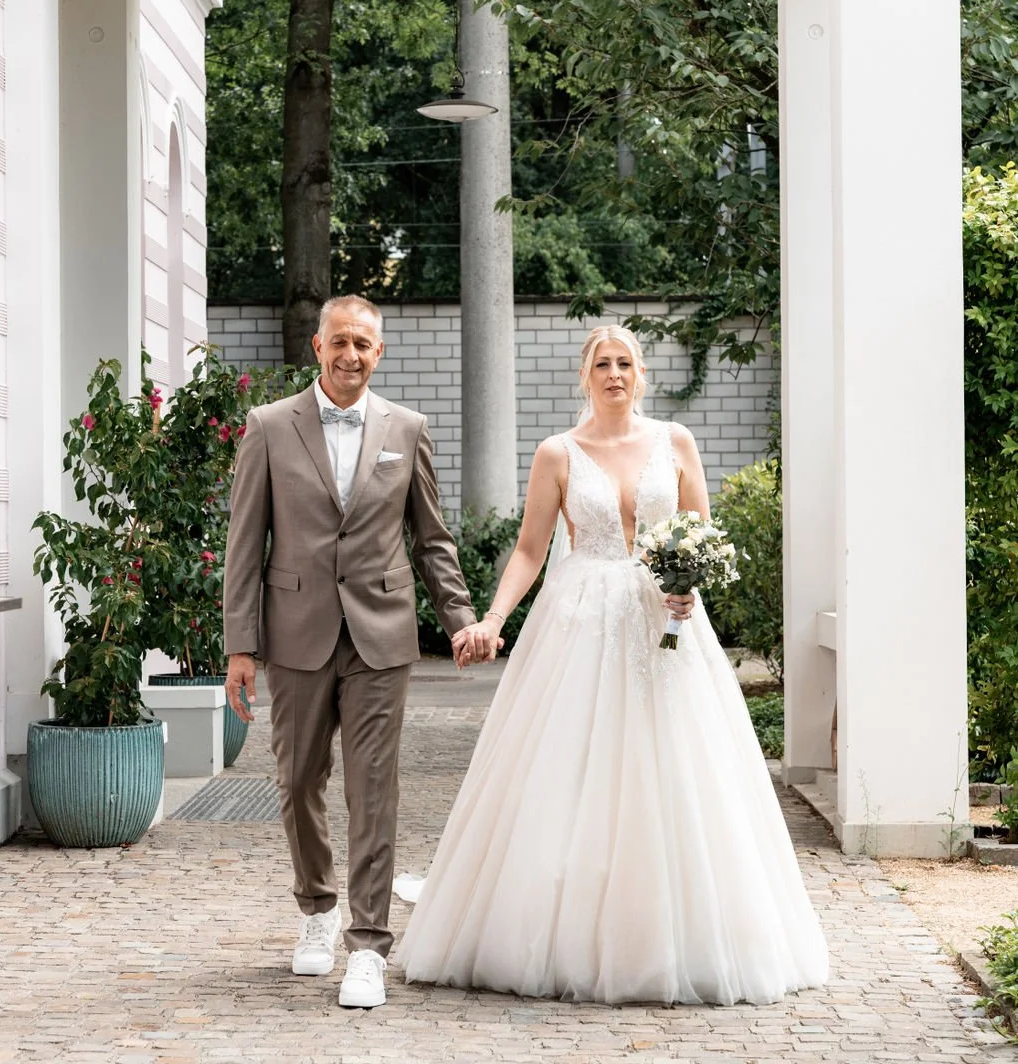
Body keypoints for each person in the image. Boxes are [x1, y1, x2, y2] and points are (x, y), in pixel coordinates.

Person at [399, 326, 829, 1006]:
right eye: (601, 363)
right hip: (581, 624)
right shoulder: (557, 453)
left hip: (665, 623)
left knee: (677, 765)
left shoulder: (675, 441)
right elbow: (529, 550)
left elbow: (701, 534)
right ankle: (566, 927)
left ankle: (679, 931)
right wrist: (493, 618)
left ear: (641, 373)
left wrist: (690, 587)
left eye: (624, 362)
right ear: (585, 375)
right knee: (573, 766)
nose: (614, 373)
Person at [223, 295, 484, 1010]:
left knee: (373, 790)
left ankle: (368, 945)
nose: (350, 355)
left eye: (362, 344)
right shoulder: (269, 427)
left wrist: (459, 618)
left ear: (379, 352)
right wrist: (240, 645)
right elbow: (244, 544)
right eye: (339, 341)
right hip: (295, 632)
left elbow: (432, 539)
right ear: (318, 346)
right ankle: (316, 907)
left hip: (380, 635)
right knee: (296, 780)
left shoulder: (408, 429)